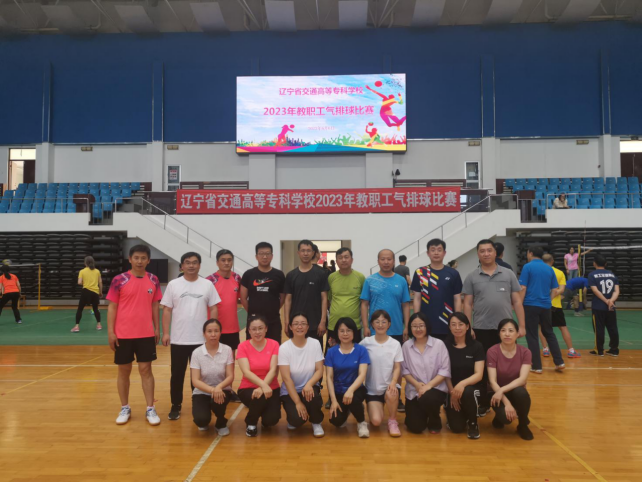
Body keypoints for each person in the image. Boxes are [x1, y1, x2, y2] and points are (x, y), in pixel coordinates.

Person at [107, 244, 163, 426]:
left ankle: (150, 408)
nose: (140, 261)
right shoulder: (119, 280)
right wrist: (111, 332)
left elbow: (155, 305)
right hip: (123, 334)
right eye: (136, 258)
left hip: (145, 334)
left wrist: (157, 328)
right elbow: (112, 307)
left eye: (143, 258)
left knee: (146, 370)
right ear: (130, 259)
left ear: (148, 260)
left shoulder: (153, 279)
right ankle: (125, 407)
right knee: (124, 371)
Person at [162, 252, 221, 421]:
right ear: (182, 266)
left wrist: (213, 332)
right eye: (187, 262)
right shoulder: (173, 285)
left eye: (195, 262)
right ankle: (176, 405)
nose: (191, 265)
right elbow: (167, 309)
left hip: (200, 340)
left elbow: (214, 308)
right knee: (177, 374)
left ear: (199, 265)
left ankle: (198, 404)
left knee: (199, 376)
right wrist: (166, 333)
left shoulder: (207, 284)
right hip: (179, 339)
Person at [361, 249, 410, 412]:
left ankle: (396, 395)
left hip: (396, 329)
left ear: (394, 261)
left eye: (389, 259)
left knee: (396, 365)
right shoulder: (370, 280)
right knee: (375, 363)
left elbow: (405, 305)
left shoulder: (401, 281)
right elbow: (364, 304)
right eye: (383, 259)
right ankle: (374, 393)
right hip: (375, 330)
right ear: (378, 261)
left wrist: (406, 326)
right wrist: (366, 326)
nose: (386, 262)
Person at [463, 240, 525, 353]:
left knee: (507, 359)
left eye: (489, 250)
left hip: (506, 328)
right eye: (482, 251)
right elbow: (467, 304)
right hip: (480, 328)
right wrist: (468, 328)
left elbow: (517, 302)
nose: (486, 254)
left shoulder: (509, 274)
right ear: (478, 254)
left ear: (495, 253)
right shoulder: (471, 277)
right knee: (483, 361)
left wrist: (521, 326)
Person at [402, 313, 451, 435]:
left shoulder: (438, 344)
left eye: (421, 325)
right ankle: (423, 414)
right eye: (414, 326)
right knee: (415, 427)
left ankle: (434, 419)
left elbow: (444, 370)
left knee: (428, 398)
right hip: (414, 390)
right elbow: (404, 370)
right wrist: (417, 385)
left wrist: (428, 386)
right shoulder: (406, 346)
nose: (418, 329)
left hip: (435, 388)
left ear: (427, 326)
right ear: (410, 328)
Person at [519, 247, 566, 374]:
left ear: (530, 253)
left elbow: (523, 288)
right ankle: (559, 362)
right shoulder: (549, 269)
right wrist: (548, 301)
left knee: (532, 335)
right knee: (549, 332)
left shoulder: (527, 267)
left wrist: (519, 304)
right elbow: (555, 290)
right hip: (546, 306)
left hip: (530, 305)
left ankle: (536, 366)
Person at [278, 313, 325, 438]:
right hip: (290, 391)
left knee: (313, 396)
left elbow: (319, 370)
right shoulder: (284, 348)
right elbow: (286, 378)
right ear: (290, 327)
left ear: (308, 327)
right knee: (296, 421)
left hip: (309, 388)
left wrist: (309, 384)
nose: (300, 326)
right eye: (296, 324)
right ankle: (294, 415)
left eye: (303, 323)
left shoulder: (315, 343)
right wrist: (298, 402)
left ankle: (316, 422)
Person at [487, 319, 534, 441]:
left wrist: (502, 390)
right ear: (499, 334)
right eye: (503, 330)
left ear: (517, 334)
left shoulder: (525, 352)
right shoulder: (492, 351)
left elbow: (522, 380)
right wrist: (507, 403)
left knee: (521, 393)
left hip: (512, 391)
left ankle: (523, 425)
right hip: (496, 393)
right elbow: (492, 381)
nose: (507, 334)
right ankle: (499, 416)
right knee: (506, 419)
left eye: (511, 331)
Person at [360, 310, 404, 437]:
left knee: (392, 392)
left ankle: (392, 421)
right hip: (372, 390)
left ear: (389, 324)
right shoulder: (366, 342)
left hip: (389, 387)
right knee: (376, 421)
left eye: (384, 322)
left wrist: (393, 382)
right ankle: (375, 406)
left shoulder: (395, 344)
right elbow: (352, 351)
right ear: (372, 324)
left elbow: (397, 367)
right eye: (377, 322)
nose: (380, 325)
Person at [325, 317, 371, 438]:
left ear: (354, 332)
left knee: (353, 400)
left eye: (348, 330)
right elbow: (329, 377)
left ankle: (361, 422)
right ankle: (348, 409)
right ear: (337, 333)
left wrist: (350, 390)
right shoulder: (331, 352)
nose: (345, 334)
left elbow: (362, 374)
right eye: (342, 331)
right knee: (336, 421)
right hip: (338, 391)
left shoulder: (361, 350)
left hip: (356, 389)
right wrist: (333, 401)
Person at [206, 250, 242, 402]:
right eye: (223, 260)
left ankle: (228, 389)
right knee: (212, 361)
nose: (226, 263)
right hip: (214, 329)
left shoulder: (237, 278)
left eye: (229, 260)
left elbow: (242, 298)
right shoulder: (210, 280)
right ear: (217, 262)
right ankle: (211, 390)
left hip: (232, 328)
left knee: (229, 361)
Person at [237, 316, 281, 437]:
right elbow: (246, 372)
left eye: (260, 328)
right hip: (248, 388)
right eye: (254, 329)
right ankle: (251, 422)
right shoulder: (243, 346)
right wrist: (263, 386)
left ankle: (261, 411)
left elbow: (273, 370)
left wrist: (263, 387)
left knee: (271, 420)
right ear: (249, 331)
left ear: (266, 329)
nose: (257, 332)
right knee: (258, 396)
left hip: (271, 387)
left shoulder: (274, 344)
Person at [411, 239, 463, 342]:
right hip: (425, 322)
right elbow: (417, 298)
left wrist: (457, 319)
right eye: (433, 250)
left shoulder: (453, 273)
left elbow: (457, 299)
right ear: (428, 253)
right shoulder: (420, 272)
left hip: (447, 322)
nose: (436, 253)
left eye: (439, 250)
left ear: (444, 253)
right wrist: (416, 319)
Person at [190, 319, 235, 436]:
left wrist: (219, 387)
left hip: (222, 390)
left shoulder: (227, 350)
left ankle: (221, 422)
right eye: (209, 331)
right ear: (204, 333)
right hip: (202, 391)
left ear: (220, 333)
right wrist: (212, 390)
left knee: (218, 401)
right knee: (201, 421)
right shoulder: (196, 353)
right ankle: (205, 414)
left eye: (216, 331)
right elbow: (195, 381)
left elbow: (230, 376)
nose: (213, 334)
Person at [445, 313, 485, 440]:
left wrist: (462, 384)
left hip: (473, 388)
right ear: (449, 327)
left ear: (467, 326)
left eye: (461, 324)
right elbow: (444, 373)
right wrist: (452, 392)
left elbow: (479, 374)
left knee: (467, 391)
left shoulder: (477, 346)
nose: (457, 328)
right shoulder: (444, 346)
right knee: (456, 428)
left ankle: (473, 423)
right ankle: (456, 413)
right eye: (453, 324)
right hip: (452, 390)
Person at [284, 240, 330, 345]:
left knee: (315, 351)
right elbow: (288, 300)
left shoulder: (321, 274)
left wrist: (323, 321)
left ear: (313, 253)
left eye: (308, 251)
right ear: (298, 253)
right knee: (296, 351)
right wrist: (287, 321)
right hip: (296, 324)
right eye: (303, 250)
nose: (305, 253)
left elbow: (324, 299)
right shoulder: (291, 275)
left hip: (315, 323)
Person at [240, 242, 286, 344]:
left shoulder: (279, 275)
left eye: (267, 253)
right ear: (256, 256)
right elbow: (243, 298)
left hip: (273, 321)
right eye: (261, 253)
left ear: (272, 256)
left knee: (274, 348)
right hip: (253, 321)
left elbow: (282, 298)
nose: (264, 256)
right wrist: (252, 311)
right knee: (253, 348)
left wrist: (273, 309)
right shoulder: (248, 274)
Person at [539, 254, 581, 359]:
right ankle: (571, 351)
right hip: (555, 305)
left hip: (541, 304)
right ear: (552, 261)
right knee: (563, 327)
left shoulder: (538, 272)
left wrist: (546, 295)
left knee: (541, 327)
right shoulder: (559, 272)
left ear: (541, 261)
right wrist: (552, 295)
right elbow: (562, 290)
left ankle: (545, 350)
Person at [327, 248, 366, 347]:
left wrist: (365, 326)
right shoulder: (331, 277)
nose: (343, 260)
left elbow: (364, 303)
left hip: (354, 325)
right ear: (336, 261)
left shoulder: (360, 277)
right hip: (334, 324)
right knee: (333, 353)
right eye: (340, 258)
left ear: (352, 260)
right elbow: (329, 299)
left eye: (346, 257)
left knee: (354, 353)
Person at [588, 256, 620, 357]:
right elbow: (616, 291)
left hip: (598, 306)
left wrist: (606, 301)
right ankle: (614, 350)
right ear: (605, 264)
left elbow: (595, 290)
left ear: (594, 263)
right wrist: (611, 301)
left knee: (599, 328)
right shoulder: (612, 274)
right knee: (612, 328)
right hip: (611, 306)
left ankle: (599, 350)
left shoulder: (592, 275)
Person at [72, 256, 103, 332]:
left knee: (80, 309)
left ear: (85, 263)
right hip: (95, 292)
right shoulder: (97, 271)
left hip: (85, 291)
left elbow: (79, 282)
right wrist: (100, 292)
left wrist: (85, 283)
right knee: (95, 309)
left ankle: (76, 326)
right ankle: (99, 325)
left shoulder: (82, 271)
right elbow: (100, 282)